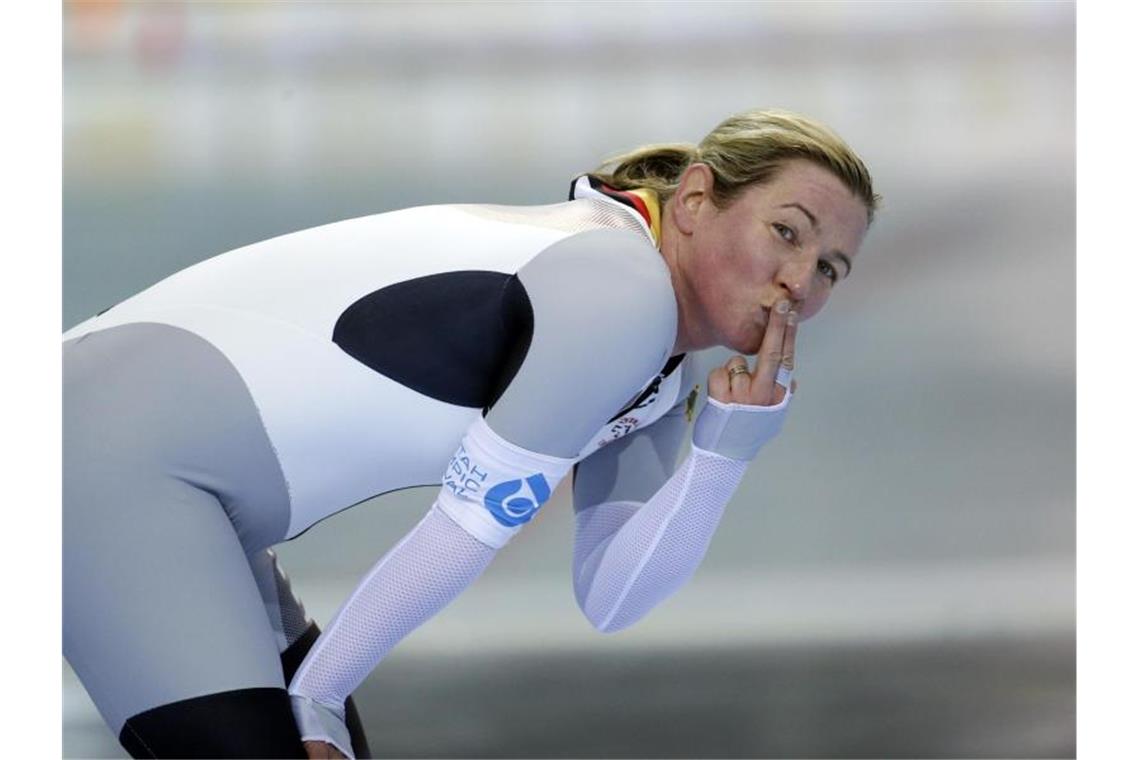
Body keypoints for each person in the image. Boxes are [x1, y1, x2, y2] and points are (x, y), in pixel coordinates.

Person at [63, 108, 878, 759]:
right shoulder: (618, 286)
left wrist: (723, 452)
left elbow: (614, 598)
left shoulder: (659, 372)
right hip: (103, 453)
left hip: (170, 485)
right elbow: (469, 526)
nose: (800, 281)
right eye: (788, 231)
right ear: (697, 199)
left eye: (831, 267)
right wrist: (315, 695)